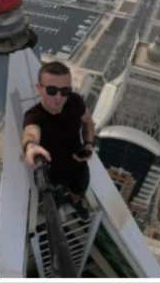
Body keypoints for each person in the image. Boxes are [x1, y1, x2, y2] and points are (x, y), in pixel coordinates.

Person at [21, 61, 95, 219]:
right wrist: (30, 146)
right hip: (50, 172)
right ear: (39, 89)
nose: (59, 98)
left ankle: (76, 202)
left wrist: (88, 144)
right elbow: (31, 132)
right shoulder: (34, 115)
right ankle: (59, 203)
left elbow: (88, 122)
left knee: (79, 191)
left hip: (77, 164)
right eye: (52, 90)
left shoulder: (75, 101)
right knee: (52, 199)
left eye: (65, 91)